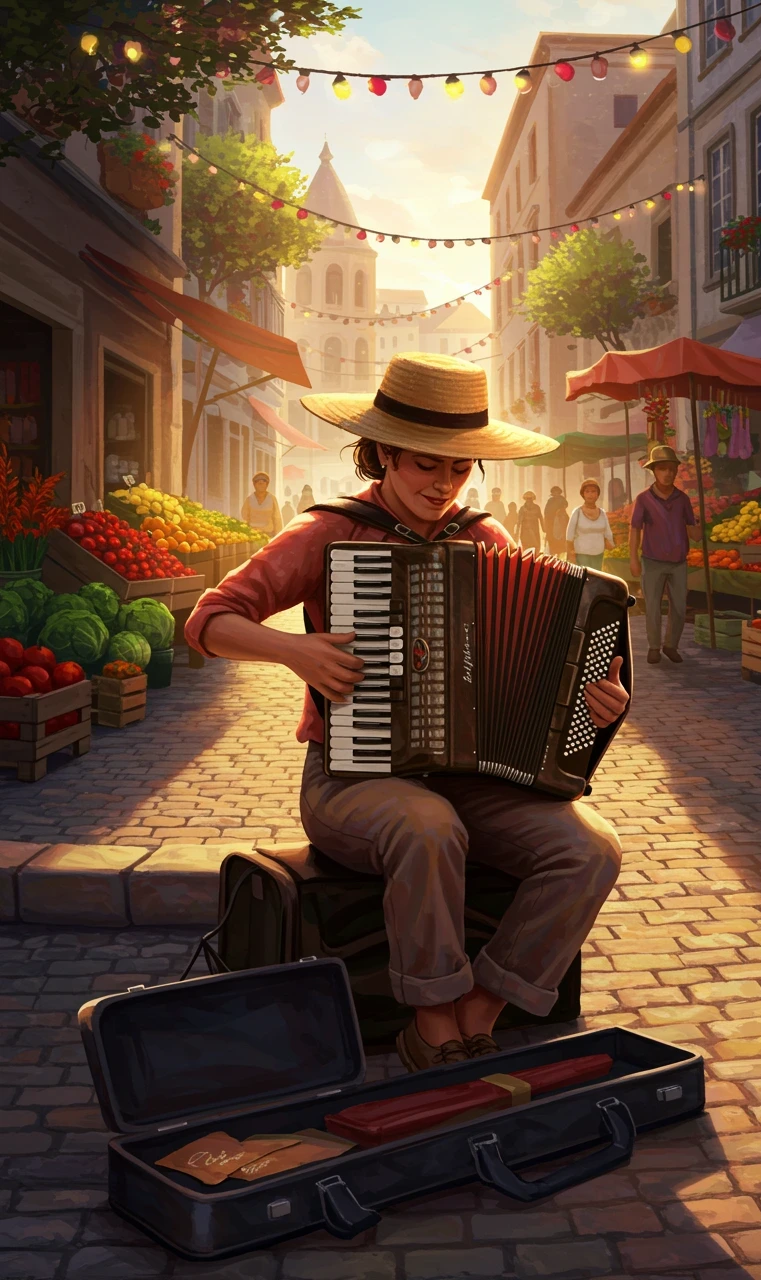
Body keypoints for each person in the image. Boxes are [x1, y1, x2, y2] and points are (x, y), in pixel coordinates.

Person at [185, 353, 627, 1074]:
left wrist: (593, 701)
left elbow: (533, 671)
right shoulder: (328, 532)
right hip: (351, 779)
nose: (443, 486)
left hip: (471, 781)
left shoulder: (485, 540)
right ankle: (428, 1021)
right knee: (426, 825)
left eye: (459, 471)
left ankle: (483, 1009)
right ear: (385, 450)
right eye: (427, 465)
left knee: (590, 848)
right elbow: (209, 619)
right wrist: (293, 652)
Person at [629, 444, 702, 665]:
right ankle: (653, 647)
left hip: (678, 561)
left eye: (671, 469)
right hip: (652, 561)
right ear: (654, 471)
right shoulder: (644, 499)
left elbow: (695, 533)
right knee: (652, 607)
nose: (668, 473)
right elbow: (635, 530)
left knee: (679, 606)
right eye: (662, 469)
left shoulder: (683, 499)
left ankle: (671, 645)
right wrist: (633, 558)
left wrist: (700, 520)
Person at [566, 478, 614, 570]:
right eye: (587, 491)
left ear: (597, 494)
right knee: (584, 581)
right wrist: (571, 555)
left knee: (597, 580)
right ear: (583, 494)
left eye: (593, 491)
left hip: (599, 555)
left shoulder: (602, 513)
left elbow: (608, 533)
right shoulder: (577, 512)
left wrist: (611, 549)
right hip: (582, 555)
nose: (590, 494)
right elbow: (569, 536)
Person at [241, 472, 282, 538]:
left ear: (267, 485)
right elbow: (244, 517)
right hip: (253, 534)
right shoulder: (249, 499)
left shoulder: (272, 498)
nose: (261, 485)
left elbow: (277, 518)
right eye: (258, 483)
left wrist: (278, 535)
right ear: (254, 485)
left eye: (263, 483)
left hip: (269, 533)